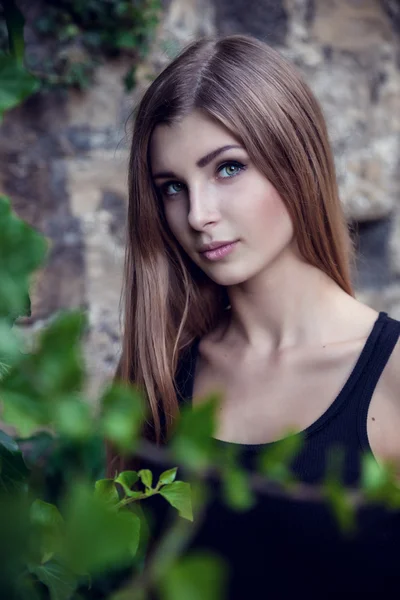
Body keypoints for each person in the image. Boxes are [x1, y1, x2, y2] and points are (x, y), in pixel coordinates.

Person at [106, 34, 400, 598]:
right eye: (172, 186)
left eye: (227, 169)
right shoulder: (164, 378)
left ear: (295, 157)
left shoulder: (391, 374)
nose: (197, 214)